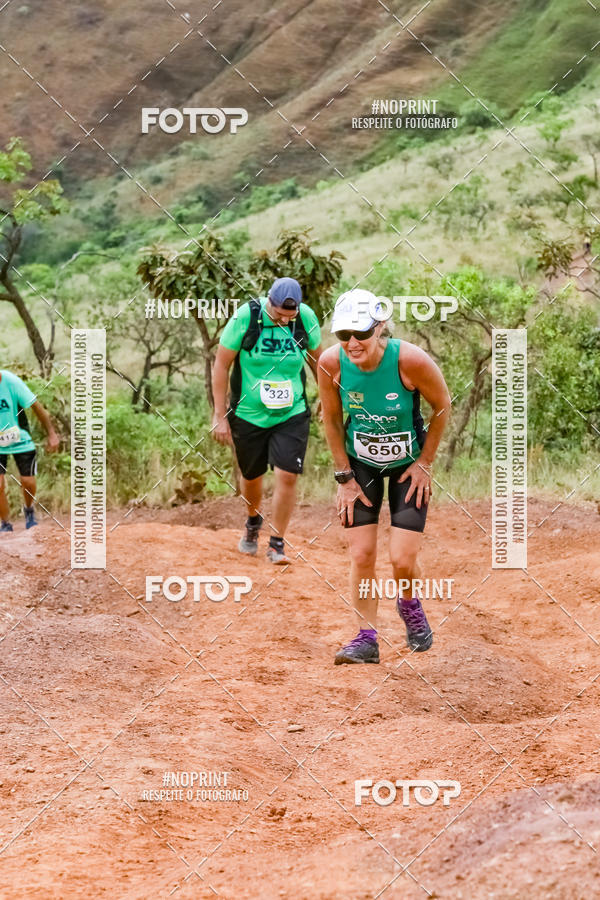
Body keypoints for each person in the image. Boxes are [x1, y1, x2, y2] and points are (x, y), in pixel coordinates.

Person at [318, 289, 451, 664]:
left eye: (361, 333)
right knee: (362, 553)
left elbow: (442, 406)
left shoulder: (409, 360)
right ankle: (366, 639)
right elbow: (331, 419)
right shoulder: (331, 364)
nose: (352, 343)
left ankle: (409, 603)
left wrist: (425, 462)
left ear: (379, 328)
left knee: (401, 560)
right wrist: (344, 477)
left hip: (408, 464)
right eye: (343, 334)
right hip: (360, 464)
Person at [211, 277, 323, 564]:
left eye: (289, 316)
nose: (284, 321)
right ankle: (253, 521)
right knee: (251, 477)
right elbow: (221, 364)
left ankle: (277, 543)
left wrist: (327, 396)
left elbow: (319, 362)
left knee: (288, 474)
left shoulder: (305, 318)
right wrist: (219, 415)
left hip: (291, 412)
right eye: (278, 315)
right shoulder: (246, 317)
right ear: (268, 302)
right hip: (248, 414)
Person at [0, 369, 60, 532]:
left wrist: (51, 434)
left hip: (20, 438)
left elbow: (36, 406)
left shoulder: (12, 382)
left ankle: (29, 509)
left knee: (27, 481)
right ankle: (5, 524)